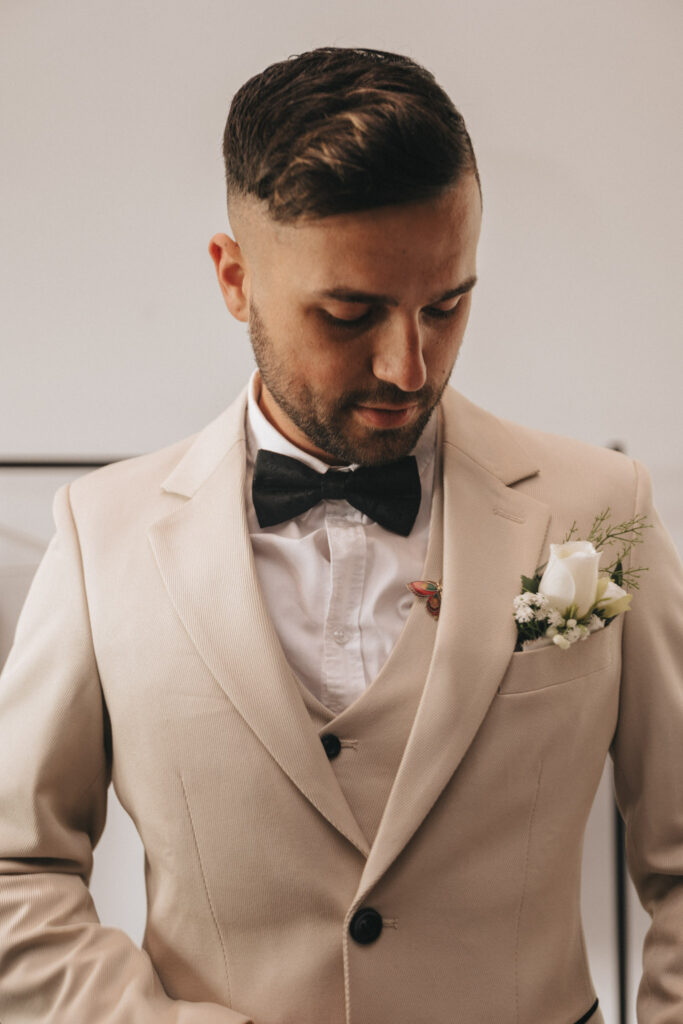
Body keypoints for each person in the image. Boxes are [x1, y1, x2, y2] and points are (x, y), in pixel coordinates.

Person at [0, 46, 681, 1024]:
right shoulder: (100, 536)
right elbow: (15, 870)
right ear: (234, 278)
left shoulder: (601, 511)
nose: (410, 367)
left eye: (445, 305)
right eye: (349, 313)